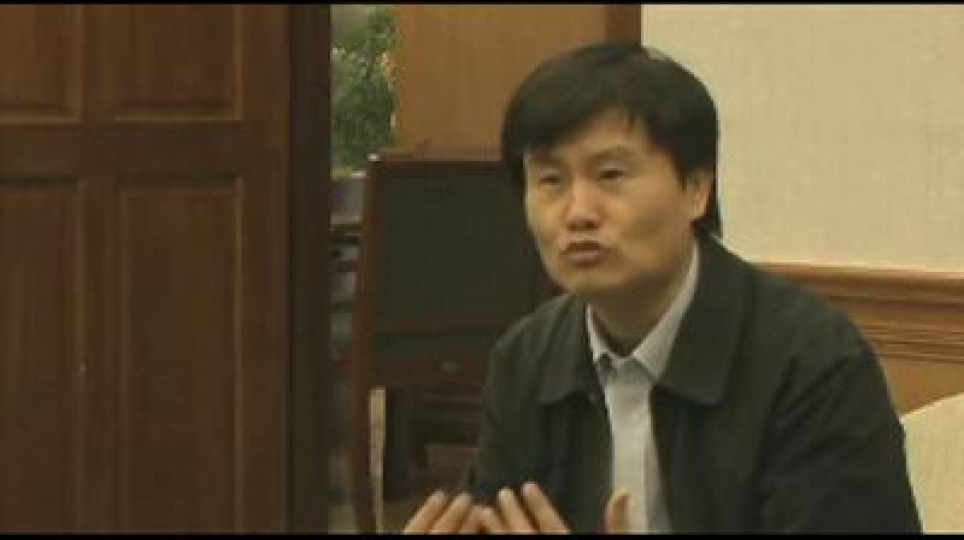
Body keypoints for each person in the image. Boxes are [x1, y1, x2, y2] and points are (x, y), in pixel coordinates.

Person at [401, 41, 922, 533]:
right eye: (551, 181)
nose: (578, 213)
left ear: (696, 189)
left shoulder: (813, 364)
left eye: (610, 175)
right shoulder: (526, 360)